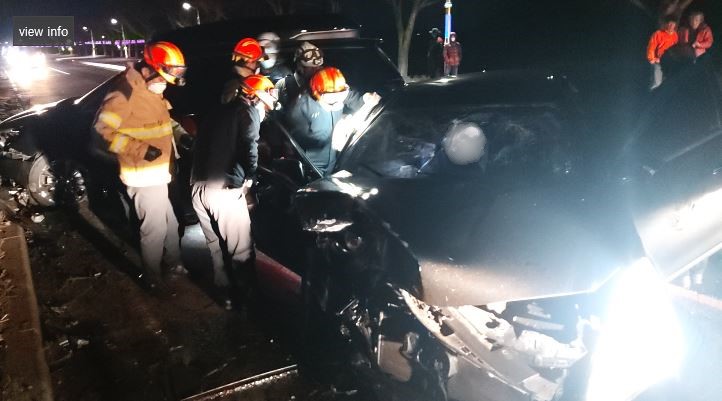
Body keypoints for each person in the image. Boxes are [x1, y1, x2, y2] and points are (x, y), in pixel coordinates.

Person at [92, 41, 188, 288]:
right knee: (154, 230)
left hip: (158, 172)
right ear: (151, 68)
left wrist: (181, 135)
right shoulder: (125, 91)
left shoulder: (150, 88)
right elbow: (102, 131)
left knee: (170, 223)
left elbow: (159, 122)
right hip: (143, 174)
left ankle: (175, 264)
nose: (167, 82)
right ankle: (153, 278)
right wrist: (141, 149)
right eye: (165, 76)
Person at [191, 75, 278, 309]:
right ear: (255, 98)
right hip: (224, 192)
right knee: (241, 249)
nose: (264, 112)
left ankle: (224, 293)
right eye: (265, 106)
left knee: (215, 244)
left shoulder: (216, 112)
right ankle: (251, 300)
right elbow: (249, 145)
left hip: (198, 188)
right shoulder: (247, 112)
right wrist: (250, 176)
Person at [284, 67, 380, 175]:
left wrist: (366, 99)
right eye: (333, 96)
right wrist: (335, 134)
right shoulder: (302, 108)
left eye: (340, 94)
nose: (338, 99)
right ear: (319, 93)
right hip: (313, 166)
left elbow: (353, 99)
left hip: (334, 162)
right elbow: (296, 142)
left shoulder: (338, 90)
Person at [275, 41, 324, 108]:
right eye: (311, 68)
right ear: (300, 66)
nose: (316, 71)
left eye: (318, 67)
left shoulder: (325, 83)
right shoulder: (283, 84)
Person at [221, 37, 266, 104]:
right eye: (245, 60)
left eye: (253, 61)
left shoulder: (261, 76)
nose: (249, 63)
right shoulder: (233, 81)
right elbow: (226, 101)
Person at [647, 16, 678, 90]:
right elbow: (651, 46)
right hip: (658, 61)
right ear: (666, 24)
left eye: (673, 24)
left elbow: (676, 48)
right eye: (669, 24)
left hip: (669, 61)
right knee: (656, 82)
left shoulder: (675, 35)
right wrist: (652, 59)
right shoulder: (658, 33)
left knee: (667, 82)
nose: (671, 26)